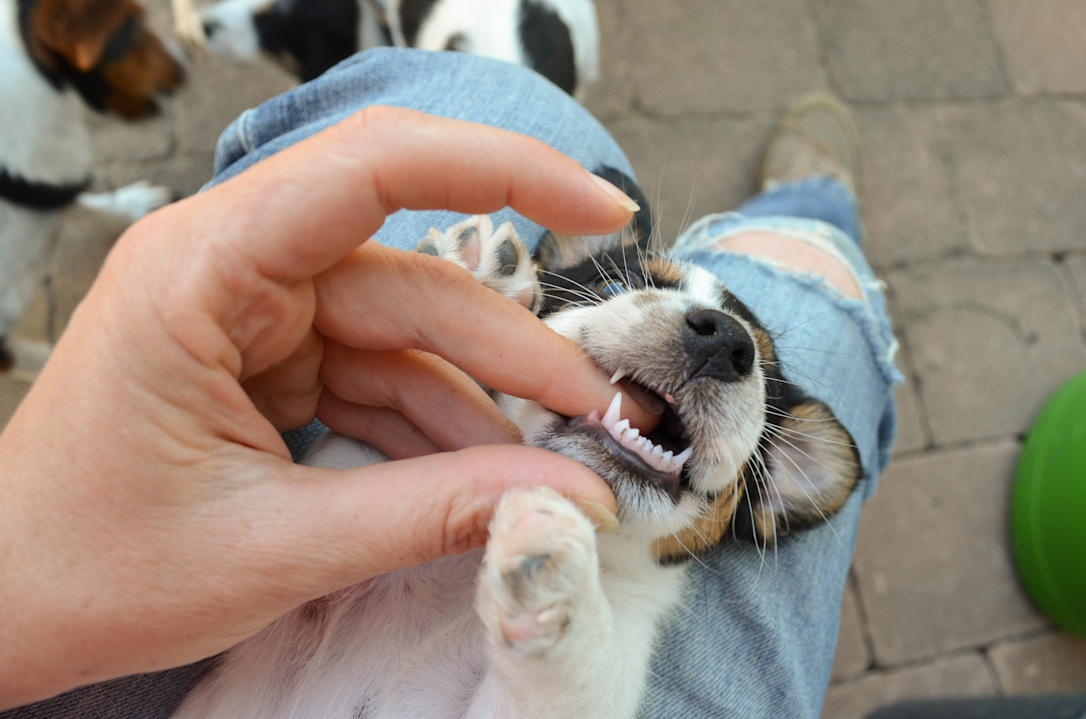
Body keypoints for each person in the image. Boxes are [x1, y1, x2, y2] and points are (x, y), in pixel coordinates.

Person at [0, 50, 901, 719]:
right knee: (811, 285)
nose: (714, 340)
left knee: (514, 110)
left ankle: (808, 217)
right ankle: (813, 219)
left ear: (749, 501)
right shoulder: (424, 418)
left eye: (746, 364)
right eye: (650, 290)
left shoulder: (624, 594)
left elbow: (563, 689)